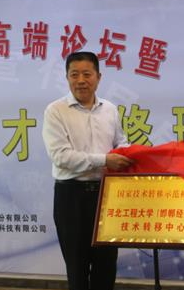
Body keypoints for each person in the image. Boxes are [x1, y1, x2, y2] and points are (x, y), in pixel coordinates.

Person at [42, 51, 133, 290]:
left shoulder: (110, 109)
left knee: (106, 265)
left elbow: (120, 142)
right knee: (77, 267)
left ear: (98, 77)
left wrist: (127, 153)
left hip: (106, 196)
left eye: (87, 74)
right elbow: (61, 157)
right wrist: (105, 160)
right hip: (71, 197)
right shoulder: (55, 111)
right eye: (74, 75)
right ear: (67, 78)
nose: (81, 80)